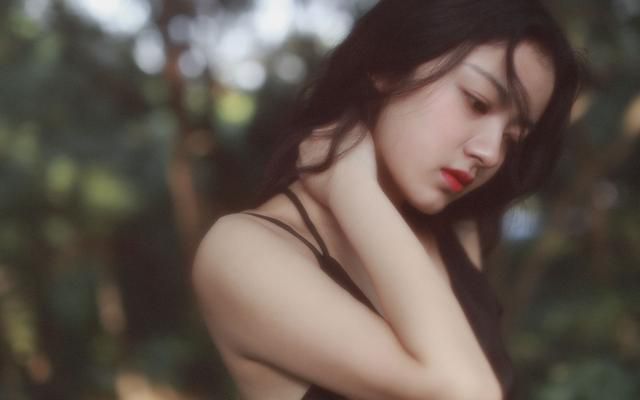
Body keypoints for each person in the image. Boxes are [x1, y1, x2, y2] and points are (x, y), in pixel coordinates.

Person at [192, 0, 584, 399]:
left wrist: (351, 185)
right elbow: (467, 392)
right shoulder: (241, 253)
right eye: (477, 102)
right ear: (390, 65)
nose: (491, 153)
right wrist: (351, 186)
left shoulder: (459, 230)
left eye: (513, 137)